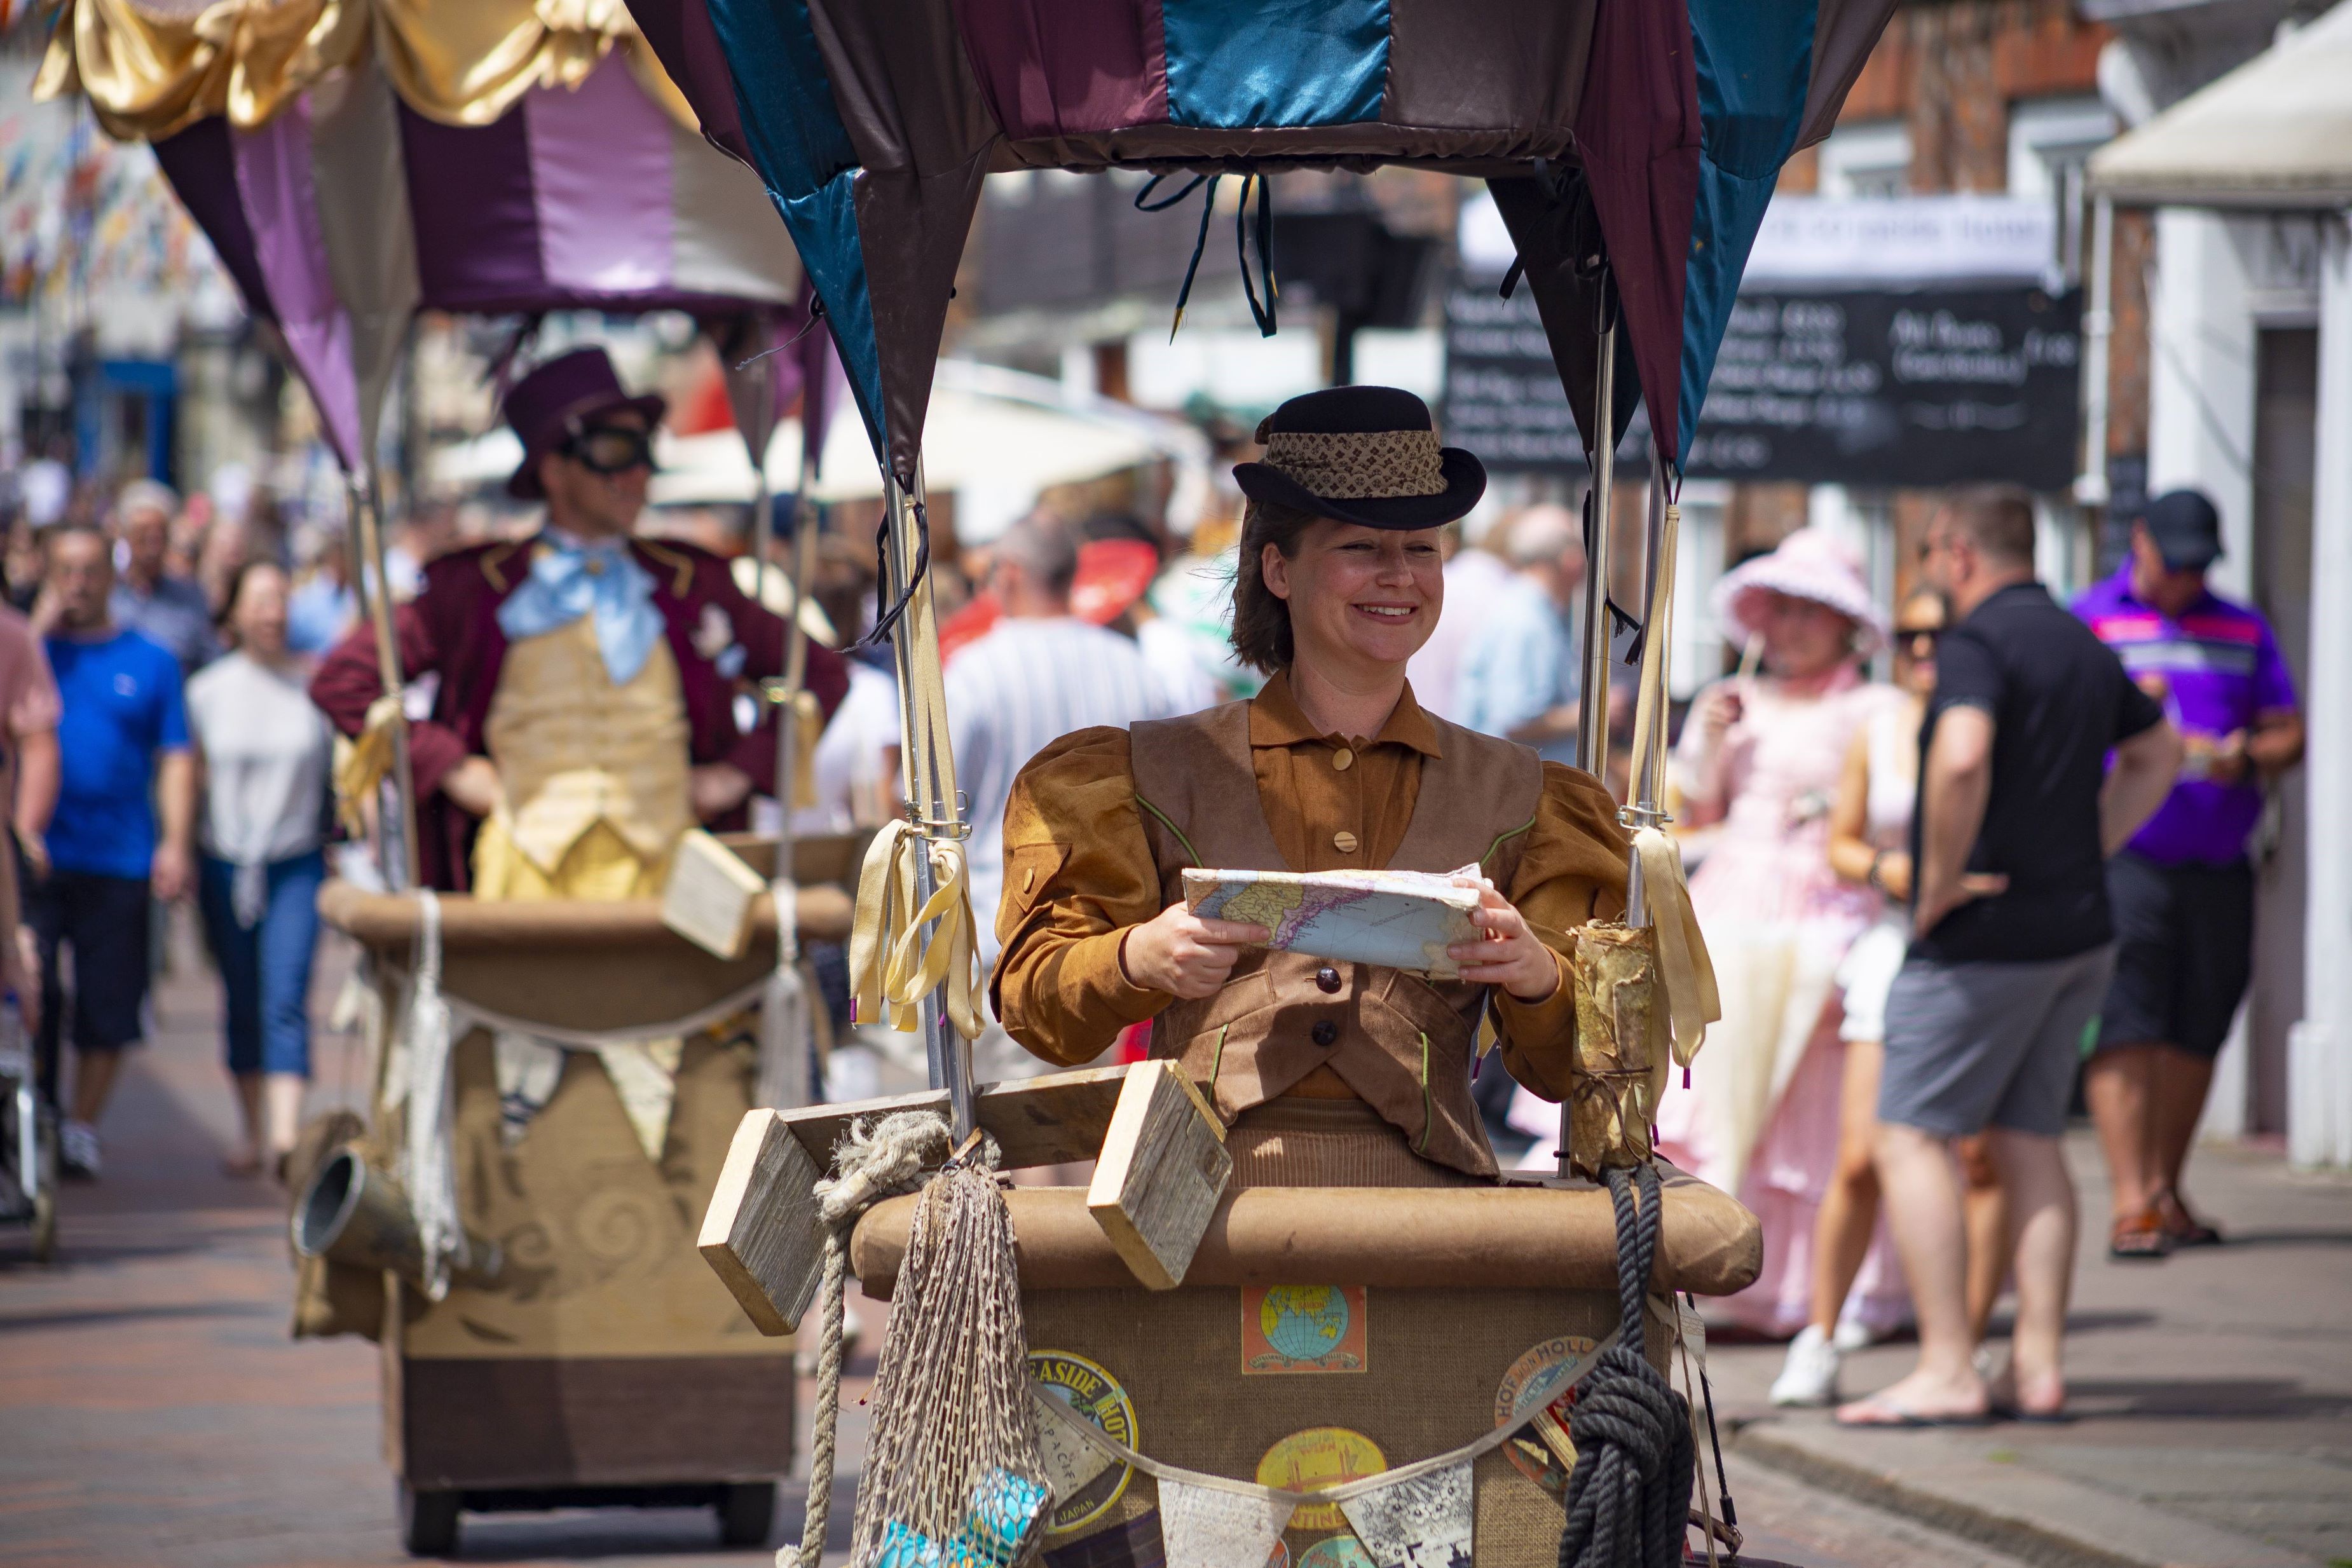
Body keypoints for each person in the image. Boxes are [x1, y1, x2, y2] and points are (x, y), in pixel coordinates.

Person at [990, 387, 1629, 1186]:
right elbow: (1034, 1009)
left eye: (1422, 550)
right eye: (1361, 548)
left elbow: (1585, 1074)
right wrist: (1135, 956)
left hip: (1431, 1231)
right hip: (1193, 1225)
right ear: (1278, 569)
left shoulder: (1526, 796)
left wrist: (1538, 980)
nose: (1399, 576)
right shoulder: (1141, 772)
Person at [1840, 487, 2180, 1428]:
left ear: (1955, 551)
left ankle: (1949, 1364)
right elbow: (2163, 750)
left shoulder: (1978, 643)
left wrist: (1937, 882)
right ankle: (2038, 1365)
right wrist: (2093, 845)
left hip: (1981, 940)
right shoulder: (2081, 640)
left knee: (1909, 1132)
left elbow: (1959, 757)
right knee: (2032, 1139)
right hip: (2079, 933)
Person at [311, 348, 849, 896]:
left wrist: (735, 773)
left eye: (646, 451)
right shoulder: (472, 588)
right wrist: (450, 767)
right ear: (554, 467)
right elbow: (346, 681)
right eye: (614, 450)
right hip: (520, 874)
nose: (638, 473)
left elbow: (821, 673)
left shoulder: (693, 582)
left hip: (673, 874)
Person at [1653, 528, 1908, 1337]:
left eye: (1812, 611)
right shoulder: (1737, 698)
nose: (1792, 627)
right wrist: (1712, 733)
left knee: (1811, 1075)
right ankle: (1697, 1253)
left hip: (1822, 896)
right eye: (1782, 609)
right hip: (1734, 887)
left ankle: (1812, 1283)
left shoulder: (1872, 706)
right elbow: (1695, 800)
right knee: (1707, 1055)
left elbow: (1891, 808)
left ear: (1845, 626)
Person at [1770, 590, 2008, 1406]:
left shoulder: (1989, 719)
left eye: (1937, 633)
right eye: (1907, 635)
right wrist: (1892, 872)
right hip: (1893, 939)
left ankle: (1965, 1346)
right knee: (1861, 1155)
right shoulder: (1880, 727)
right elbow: (1841, 842)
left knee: (1977, 1156)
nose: (1921, 649)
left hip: (1978, 946)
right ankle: (1820, 1335)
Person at [2073, 489, 2303, 1257]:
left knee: (2199, 1022)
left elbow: (2288, 729)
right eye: (2172, 565)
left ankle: (2165, 1189)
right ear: (2138, 542)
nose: (2182, 581)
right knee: (2129, 1018)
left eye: (2196, 568)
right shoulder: (2092, 618)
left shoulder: (2240, 624)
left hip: (2217, 858)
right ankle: (2130, 1199)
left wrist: (2250, 754)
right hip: (2126, 851)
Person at [944, 515, 1193, 1000]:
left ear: (1010, 573)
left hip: (1000, 945)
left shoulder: (973, 672)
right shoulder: (1135, 668)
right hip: (1116, 946)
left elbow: (937, 806)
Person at [28, 525, 196, 1179]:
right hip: (37, 856)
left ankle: (81, 1124)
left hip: (119, 858)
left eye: (90, 569)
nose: (77, 582)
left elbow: (176, 757)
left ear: (112, 574)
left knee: (108, 1004)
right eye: (65, 569)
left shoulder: (150, 659)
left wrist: (175, 843)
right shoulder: (27, 649)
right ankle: (35, 1113)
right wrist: (34, 634)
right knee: (35, 993)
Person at [187, 562, 334, 1178]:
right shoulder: (207, 692)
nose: (272, 614)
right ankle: (251, 1127)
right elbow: (187, 778)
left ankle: (282, 1134)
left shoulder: (316, 687)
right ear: (235, 613)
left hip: (296, 860)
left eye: (281, 600)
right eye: (260, 602)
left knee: (286, 992)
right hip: (225, 862)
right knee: (242, 995)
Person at [1451, 505, 1583, 761]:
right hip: (1512, 788)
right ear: (1570, 559)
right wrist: (1597, 713)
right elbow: (1516, 719)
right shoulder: (1527, 620)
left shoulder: (1525, 610)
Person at [108, 480, 220, 674]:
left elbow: (210, 659)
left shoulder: (190, 596)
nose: (152, 543)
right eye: (143, 534)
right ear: (125, 535)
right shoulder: (108, 594)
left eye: (159, 533)